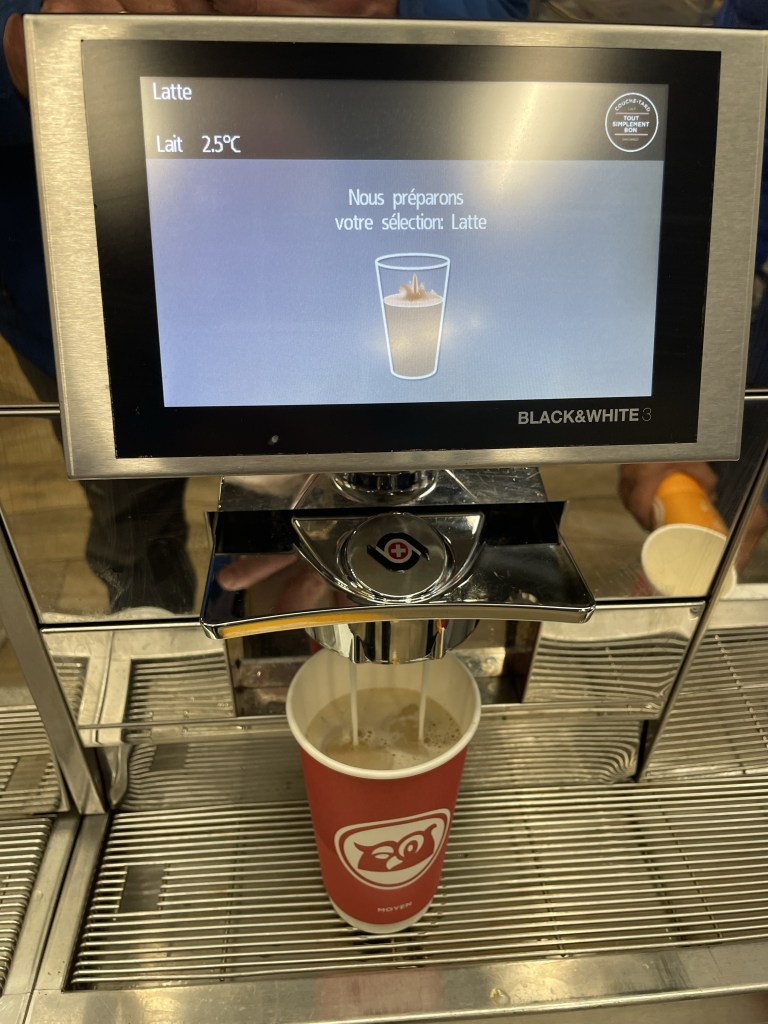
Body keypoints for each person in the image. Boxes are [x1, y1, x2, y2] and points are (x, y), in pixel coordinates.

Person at [0, 0, 530, 614]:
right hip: (88, 307)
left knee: (303, 530)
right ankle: (155, 627)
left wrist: (400, 12)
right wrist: (23, 39)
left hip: (331, 282)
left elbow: (510, 23)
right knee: (132, 524)